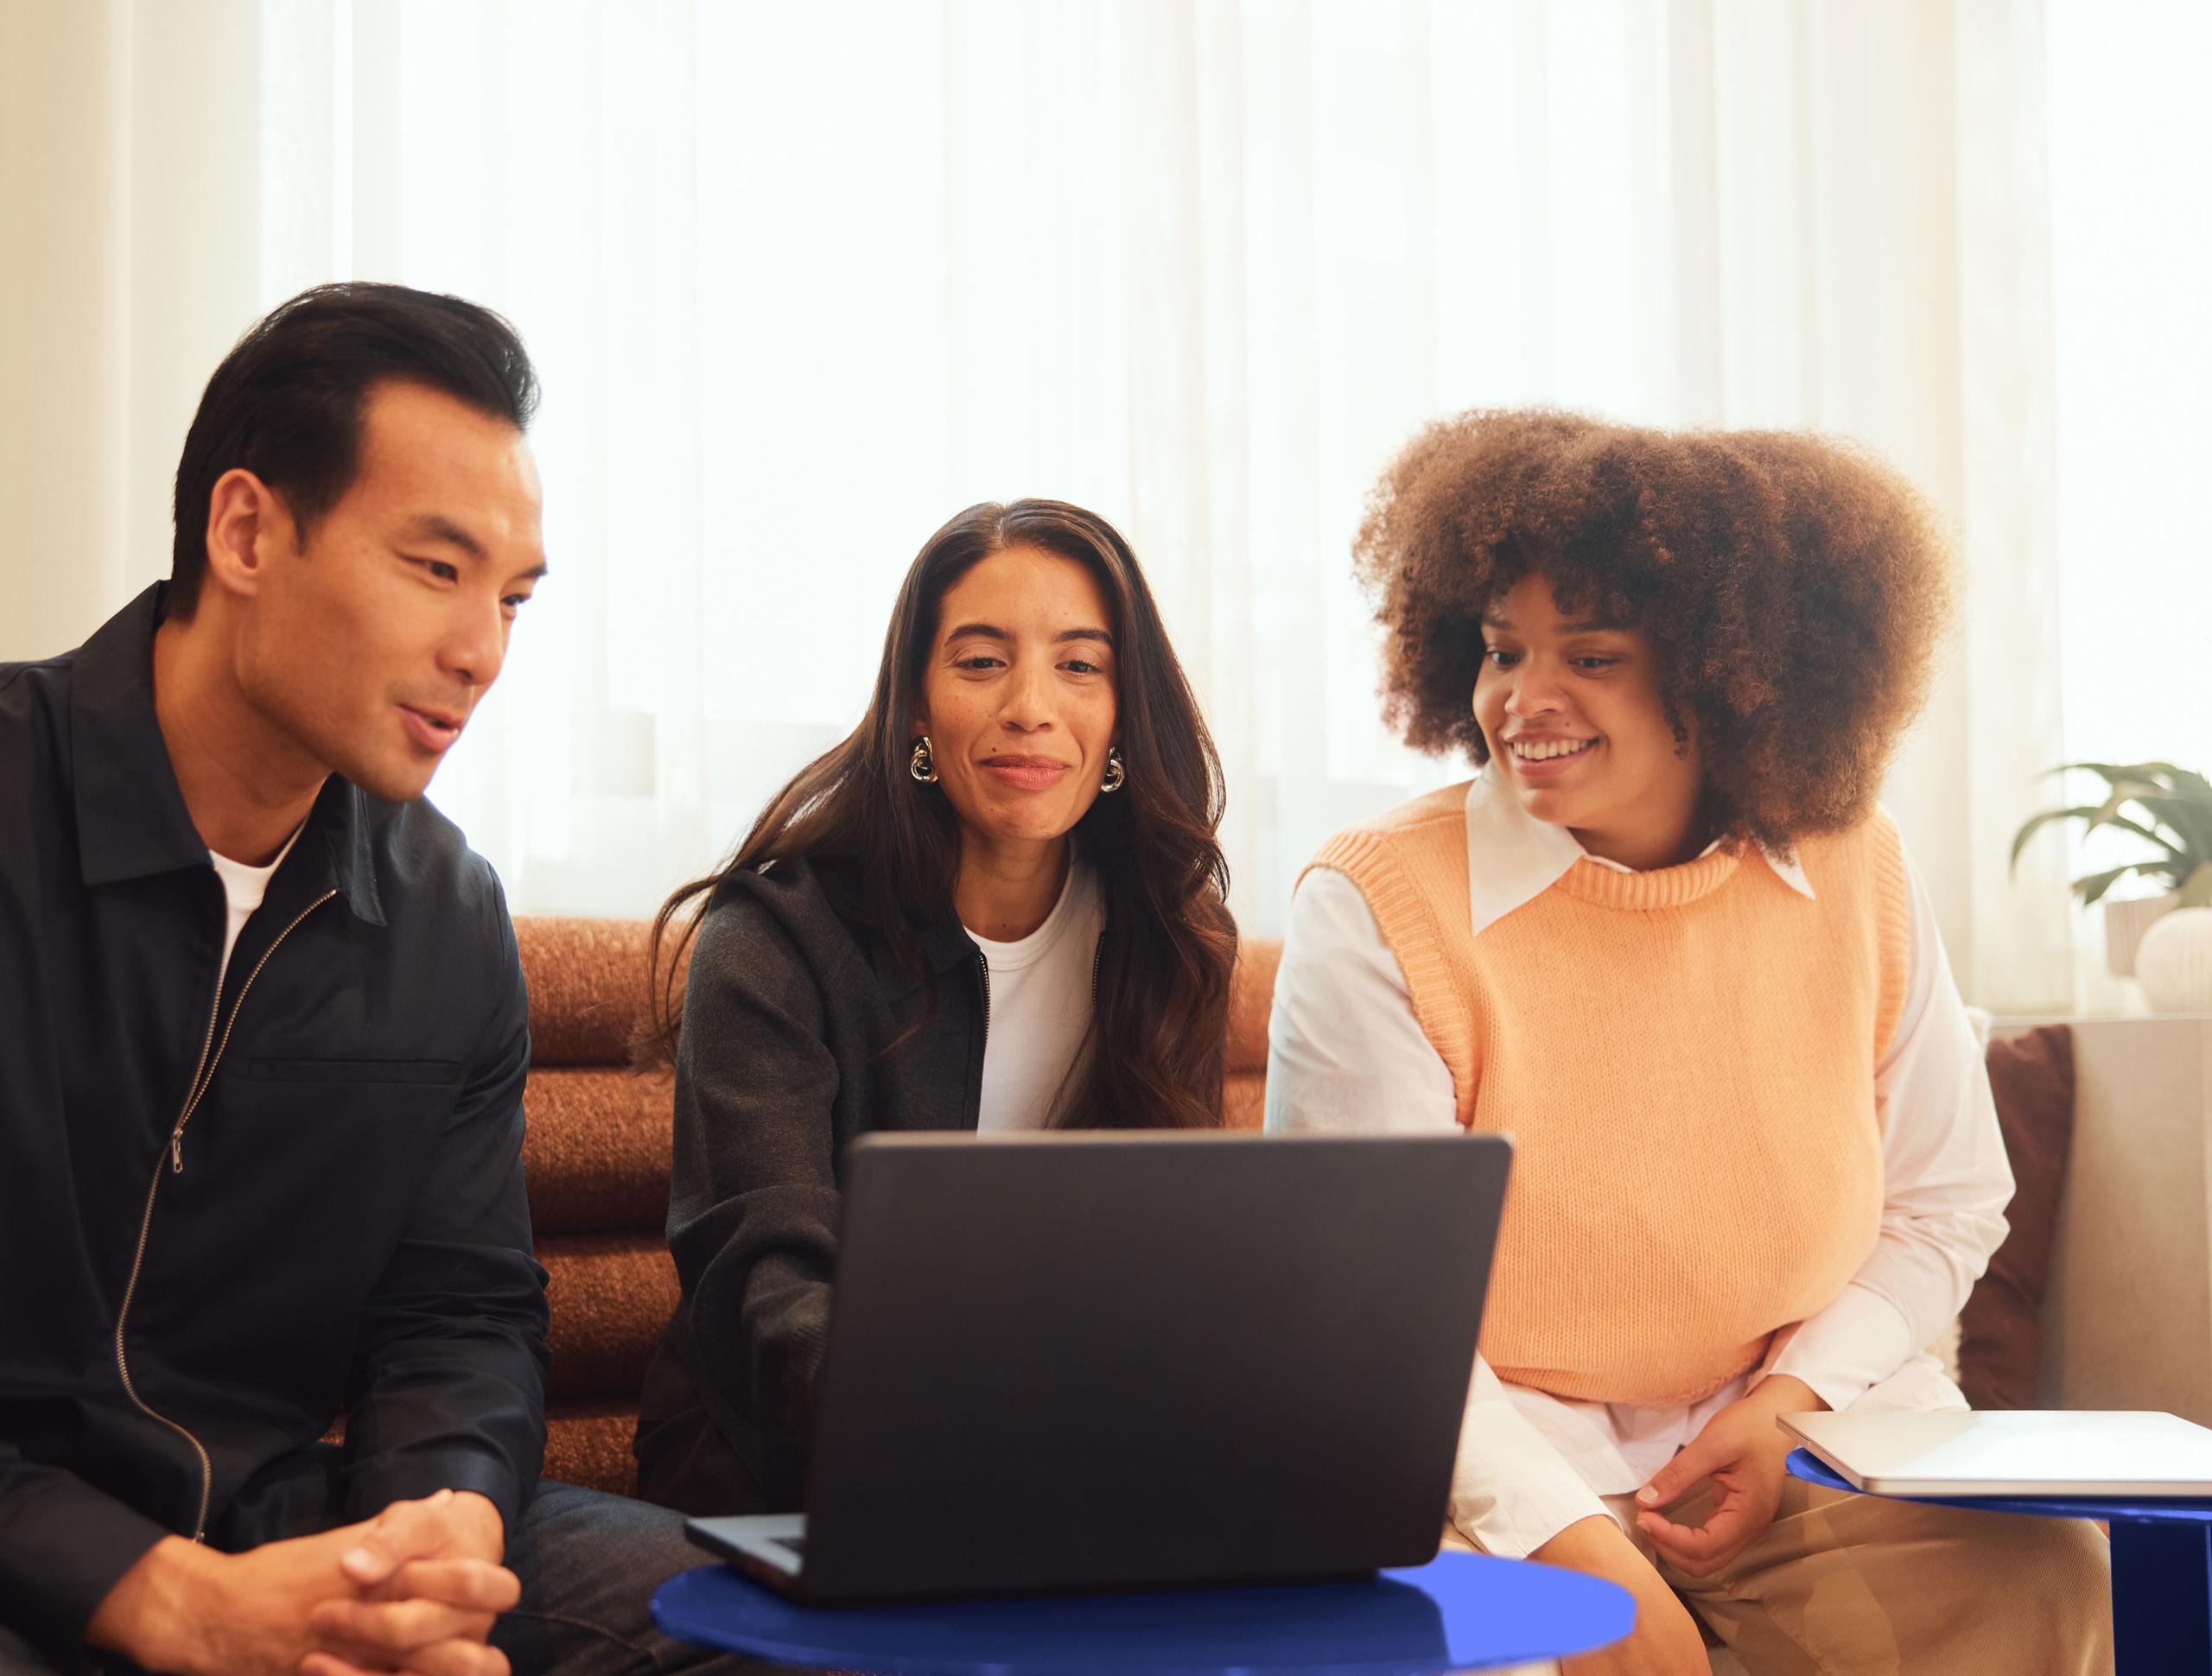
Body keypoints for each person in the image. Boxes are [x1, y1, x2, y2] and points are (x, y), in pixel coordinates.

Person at [1266, 410, 2112, 1675]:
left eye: (1591, 656)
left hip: (1780, 1435)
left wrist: (1785, 1412)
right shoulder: (1379, 901)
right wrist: (1576, 1549)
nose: (1521, 700)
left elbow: (1944, 1205)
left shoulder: (1857, 863)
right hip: (1472, 1458)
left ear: (1728, 674)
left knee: (2041, 1580)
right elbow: (1361, 1318)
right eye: (1503, 651)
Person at [0, 283, 764, 1676]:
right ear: (246, 531)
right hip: (33, 1562)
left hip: (298, 1526)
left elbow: (460, 1309)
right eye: (434, 568)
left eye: (513, 599)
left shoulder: (444, 912)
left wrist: (444, 1531)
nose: (481, 650)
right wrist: (158, 1598)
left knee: (771, 1632)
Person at [632, 498, 1236, 1514]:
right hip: (794, 1460)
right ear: (915, 704)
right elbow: (767, 1291)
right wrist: (982, 1424)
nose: (1032, 706)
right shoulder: (775, 936)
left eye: (1079, 665)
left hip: (1070, 1454)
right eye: (981, 661)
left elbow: (1162, 1256)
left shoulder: (1167, 935)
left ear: (1125, 711)